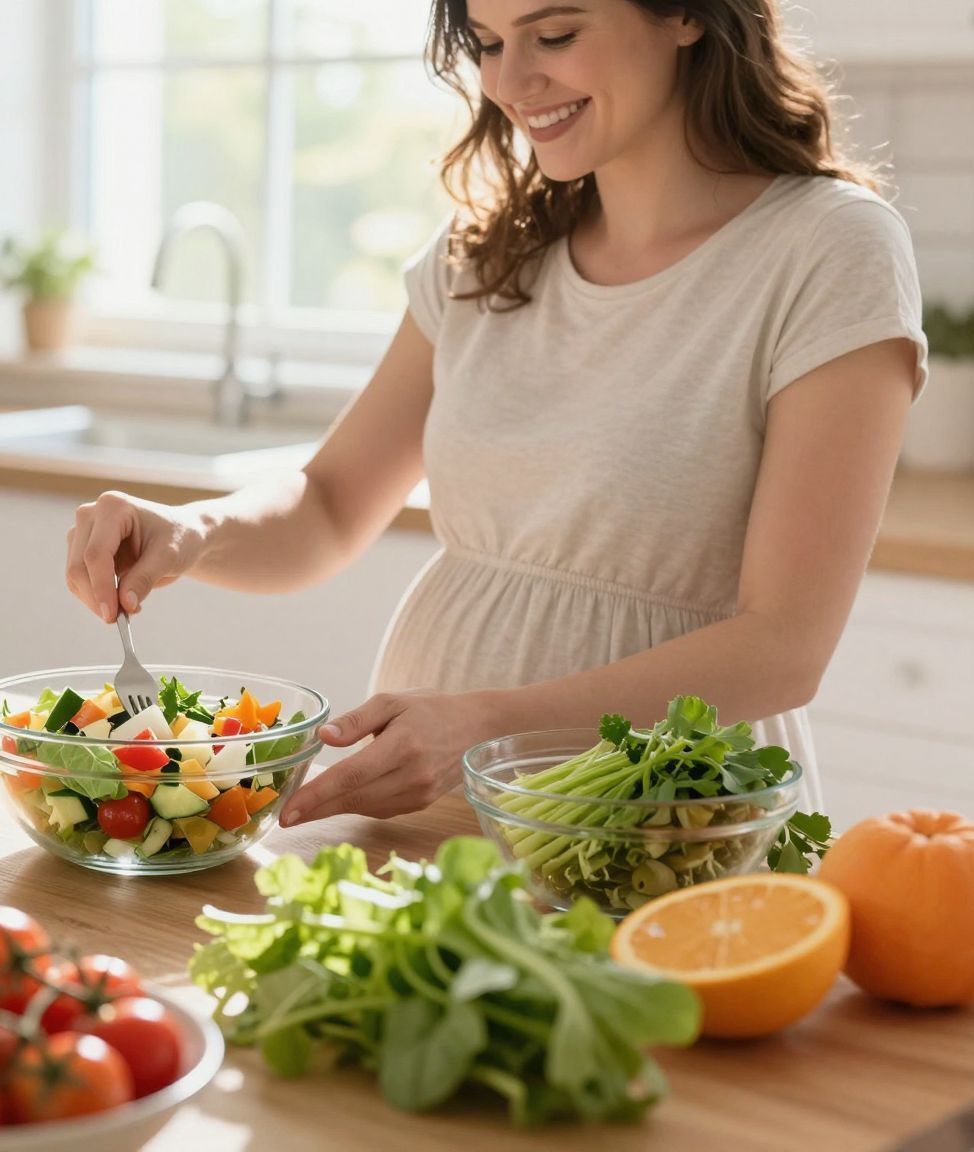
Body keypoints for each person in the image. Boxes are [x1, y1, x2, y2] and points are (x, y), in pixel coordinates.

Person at [63, 0, 925, 829]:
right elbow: (327, 506)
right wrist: (192, 530)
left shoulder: (827, 249)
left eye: (553, 34)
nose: (513, 82)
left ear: (686, 14)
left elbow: (783, 647)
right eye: (486, 42)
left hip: (669, 822)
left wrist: (486, 725)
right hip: (433, 805)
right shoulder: (486, 251)